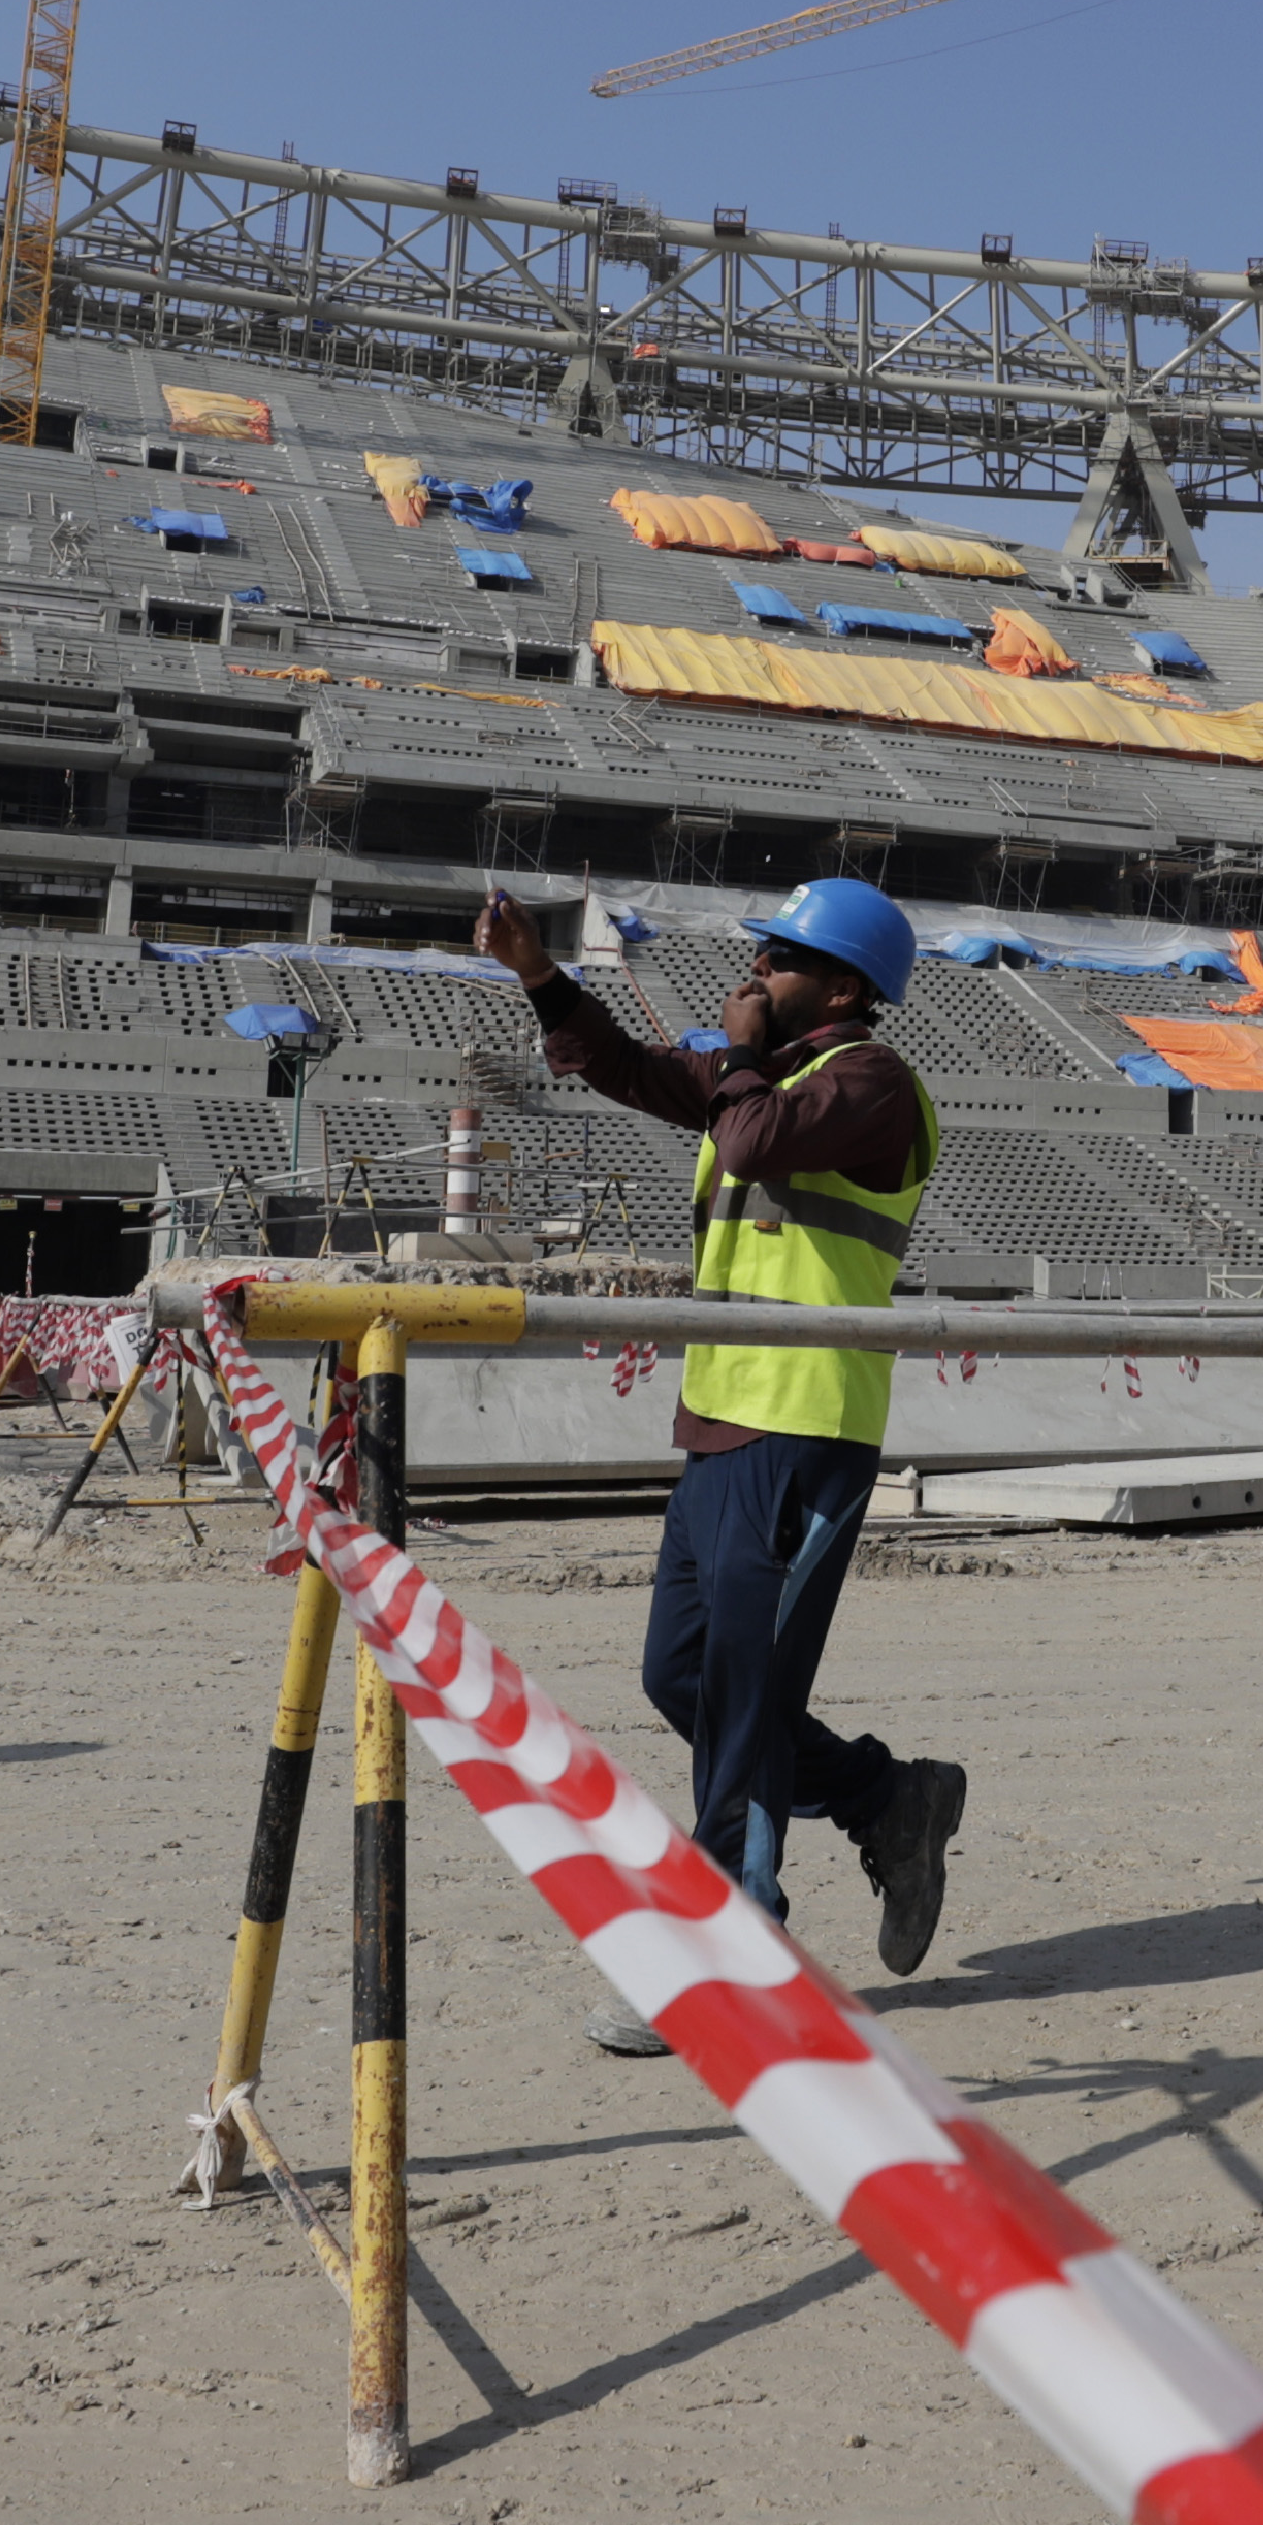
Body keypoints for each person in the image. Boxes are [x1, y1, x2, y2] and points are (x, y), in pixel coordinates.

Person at [474, 872, 968, 2048]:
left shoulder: (869, 1083)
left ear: (842, 989)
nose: (752, 976)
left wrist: (738, 1056)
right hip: (719, 1428)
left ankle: (735, 1949)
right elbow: (641, 1072)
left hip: (803, 1427)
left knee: (745, 1700)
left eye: (778, 961)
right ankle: (881, 1796)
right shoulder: (774, 1075)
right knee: (684, 1681)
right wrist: (541, 977)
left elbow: (742, 1139)